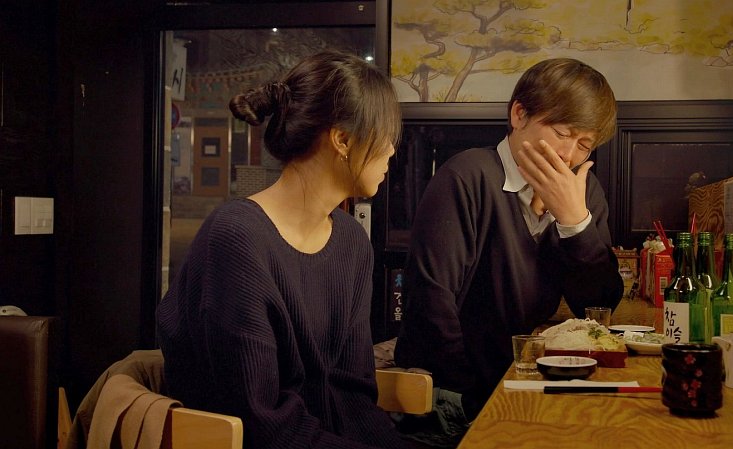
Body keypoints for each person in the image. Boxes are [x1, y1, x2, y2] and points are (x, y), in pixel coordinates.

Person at [156, 50, 413, 449]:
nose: (392, 151)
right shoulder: (237, 239)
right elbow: (261, 422)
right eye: (385, 135)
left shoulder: (351, 242)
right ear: (343, 139)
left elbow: (354, 394)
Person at [394, 57, 624, 445]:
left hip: (527, 381)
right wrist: (482, 397)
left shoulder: (583, 192)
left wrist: (574, 221)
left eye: (584, 144)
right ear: (519, 114)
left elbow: (598, 307)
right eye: (562, 133)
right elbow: (431, 307)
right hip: (454, 394)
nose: (568, 155)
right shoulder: (466, 176)